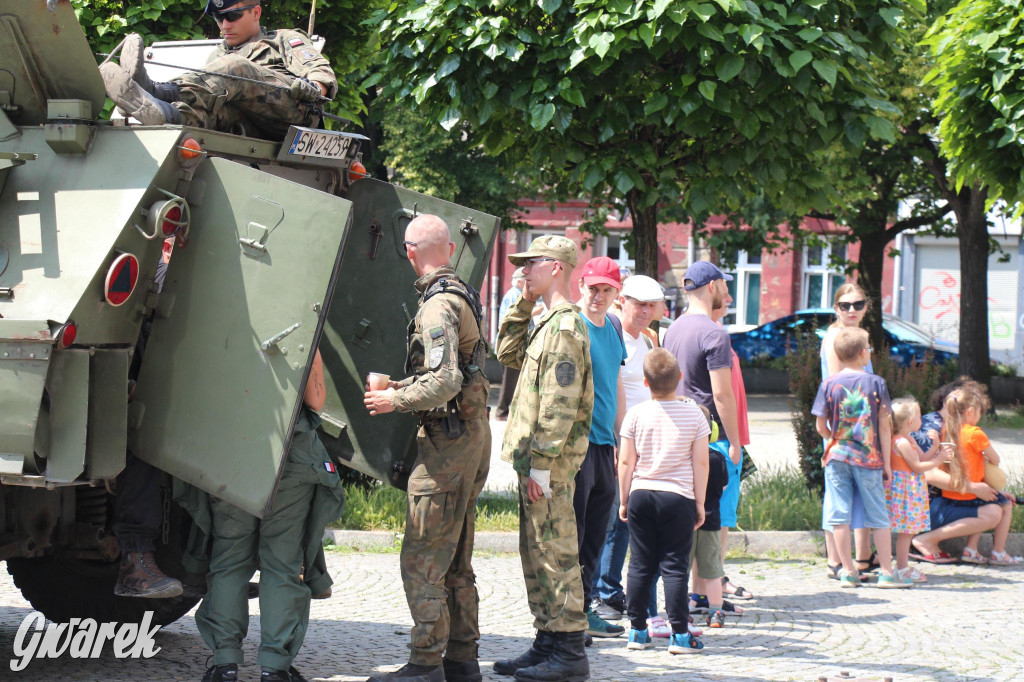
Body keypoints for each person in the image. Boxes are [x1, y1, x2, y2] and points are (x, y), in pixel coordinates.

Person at [362, 214, 491, 682]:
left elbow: (446, 379)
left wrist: (392, 398)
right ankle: (461, 660)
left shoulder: (436, 307)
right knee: (455, 556)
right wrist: (403, 384)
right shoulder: (464, 295)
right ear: (452, 251)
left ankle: (424, 664)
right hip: (469, 438)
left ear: (409, 251)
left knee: (422, 556)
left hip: (447, 447)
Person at [197, 349, 345, 682]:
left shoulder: (221, 317)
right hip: (290, 453)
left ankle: (225, 663)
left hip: (230, 450)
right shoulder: (299, 324)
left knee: (229, 561)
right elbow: (316, 400)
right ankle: (274, 668)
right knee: (282, 564)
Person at [493, 236, 593, 682]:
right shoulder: (546, 321)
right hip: (535, 462)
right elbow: (506, 354)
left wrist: (541, 465)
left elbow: (559, 403)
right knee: (536, 554)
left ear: (555, 267)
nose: (523, 271)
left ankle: (570, 651)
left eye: (531, 265)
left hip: (548, 466)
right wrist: (522, 301)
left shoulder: (567, 328)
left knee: (556, 553)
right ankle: (547, 642)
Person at [100, 0, 337, 138]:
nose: (224, 25)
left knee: (235, 67)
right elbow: (206, 96)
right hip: (250, 124)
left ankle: (156, 90)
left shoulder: (284, 38)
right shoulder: (218, 55)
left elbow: (321, 73)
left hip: (294, 115)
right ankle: (166, 114)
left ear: (256, 12)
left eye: (232, 16)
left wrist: (313, 89)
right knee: (213, 111)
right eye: (218, 18)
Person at [617, 349, 709, 655]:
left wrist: (623, 498)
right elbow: (701, 463)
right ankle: (680, 635)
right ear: (679, 378)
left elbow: (627, 462)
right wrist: (700, 501)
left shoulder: (635, 414)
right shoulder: (695, 414)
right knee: (674, 567)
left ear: (645, 382)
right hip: (678, 496)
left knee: (640, 566)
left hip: (642, 494)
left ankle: (637, 631)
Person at [590, 275, 665, 631]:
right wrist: (620, 437)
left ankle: (611, 588)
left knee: (625, 521)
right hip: (618, 439)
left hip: (642, 441)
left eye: (651, 305)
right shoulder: (614, 332)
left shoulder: (649, 339)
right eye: (638, 304)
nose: (645, 311)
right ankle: (603, 592)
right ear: (623, 302)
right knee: (610, 520)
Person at [662, 262, 743, 583]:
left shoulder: (674, 328)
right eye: (724, 284)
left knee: (685, 520)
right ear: (712, 286)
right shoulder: (714, 332)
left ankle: (685, 593)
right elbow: (722, 395)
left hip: (676, 433)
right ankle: (705, 593)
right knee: (711, 520)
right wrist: (735, 442)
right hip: (709, 440)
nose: (727, 291)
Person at [812, 327, 911, 588]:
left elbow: (820, 426)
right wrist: (887, 463)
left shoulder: (828, 384)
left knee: (839, 516)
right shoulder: (876, 383)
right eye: (869, 349)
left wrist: (835, 438)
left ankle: (847, 571)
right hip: (869, 459)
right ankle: (887, 573)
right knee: (878, 515)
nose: (870, 352)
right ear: (861, 353)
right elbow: (884, 425)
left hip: (837, 457)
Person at [571, 257, 627, 640]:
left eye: (607, 289)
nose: (599, 296)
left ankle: (586, 608)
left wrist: (624, 438)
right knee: (572, 533)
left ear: (616, 293)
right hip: (577, 444)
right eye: (594, 288)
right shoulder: (572, 325)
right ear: (581, 286)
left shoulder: (613, 327)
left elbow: (617, 384)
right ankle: (566, 619)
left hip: (606, 444)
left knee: (596, 533)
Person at [910, 388, 1022, 565]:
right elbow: (929, 474)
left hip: (949, 498)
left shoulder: (947, 429)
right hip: (928, 507)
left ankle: (972, 549)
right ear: (970, 411)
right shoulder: (933, 428)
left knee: (994, 507)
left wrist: (987, 489)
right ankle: (927, 540)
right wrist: (973, 487)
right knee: (995, 510)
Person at [820, 283, 876, 579]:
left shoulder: (857, 337)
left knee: (855, 491)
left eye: (857, 304)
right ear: (835, 307)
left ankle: (862, 557)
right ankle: (836, 560)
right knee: (839, 492)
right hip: (842, 428)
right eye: (845, 305)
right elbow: (834, 387)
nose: (851, 310)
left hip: (859, 427)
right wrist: (833, 437)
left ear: (867, 306)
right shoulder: (835, 337)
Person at [887, 397, 950, 582]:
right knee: (906, 531)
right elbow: (917, 466)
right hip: (904, 491)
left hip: (911, 490)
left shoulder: (909, 439)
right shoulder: (901, 442)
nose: (923, 420)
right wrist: (938, 460)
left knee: (909, 530)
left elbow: (922, 458)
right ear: (910, 421)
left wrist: (937, 447)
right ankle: (902, 568)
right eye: (920, 416)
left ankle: (902, 565)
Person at [688, 404, 729, 629]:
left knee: (680, 569)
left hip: (685, 521)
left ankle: (680, 611)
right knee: (713, 570)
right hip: (712, 521)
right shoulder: (718, 458)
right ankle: (716, 613)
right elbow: (722, 487)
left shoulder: (684, 456)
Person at [495, 268, 526, 421]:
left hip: (510, 344)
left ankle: (505, 410)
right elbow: (511, 321)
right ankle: (501, 411)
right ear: (520, 281)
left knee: (511, 380)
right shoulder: (515, 295)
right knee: (509, 381)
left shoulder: (513, 294)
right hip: (511, 345)